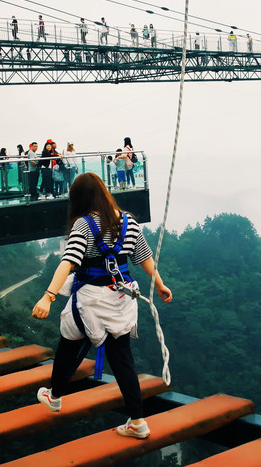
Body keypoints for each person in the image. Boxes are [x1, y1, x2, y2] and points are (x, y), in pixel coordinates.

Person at [32, 173, 172, 438]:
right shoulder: (129, 221)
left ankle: (55, 395)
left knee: (69, 343)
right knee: (122, 359)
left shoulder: (83, 225)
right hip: (122, 299)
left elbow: (69, 261)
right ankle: (138, 421)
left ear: (79, 199)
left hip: (90, 301)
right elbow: (144, 257)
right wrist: (160, 284)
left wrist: (48, 296)